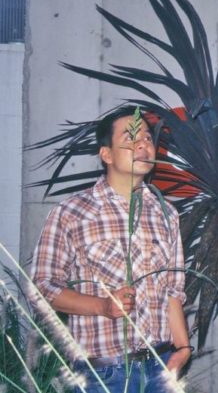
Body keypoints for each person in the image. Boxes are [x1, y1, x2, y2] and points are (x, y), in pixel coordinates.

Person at [31, 106, 191, 393]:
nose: (143, 144)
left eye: (147, 138)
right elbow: (43, 288)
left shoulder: (166, 213)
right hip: (103, 375)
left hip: (162, 366)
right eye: (131, 138)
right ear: (106, 154)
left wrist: (183, 349)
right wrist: (103, 306)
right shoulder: (72, 212)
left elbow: (172, 291)